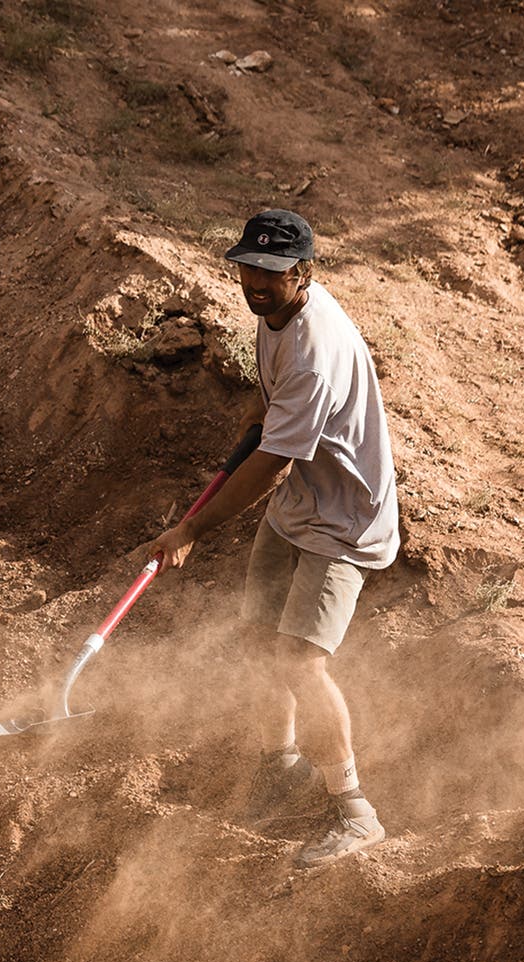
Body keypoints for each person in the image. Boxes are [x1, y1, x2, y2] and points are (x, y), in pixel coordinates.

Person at [146, 208, 399, 867]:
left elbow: (271, 464)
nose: (256, 282)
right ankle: (280, 769)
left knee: (299, 661)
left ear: (303, 274)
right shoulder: (278, 312)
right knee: (261, 642)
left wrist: (191, 528)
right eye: (248, 267)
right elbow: (276, 409)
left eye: (272, 272)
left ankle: (355, 812)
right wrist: (261, 409)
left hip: (342, 522)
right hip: (298, 507)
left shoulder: (315, 353)